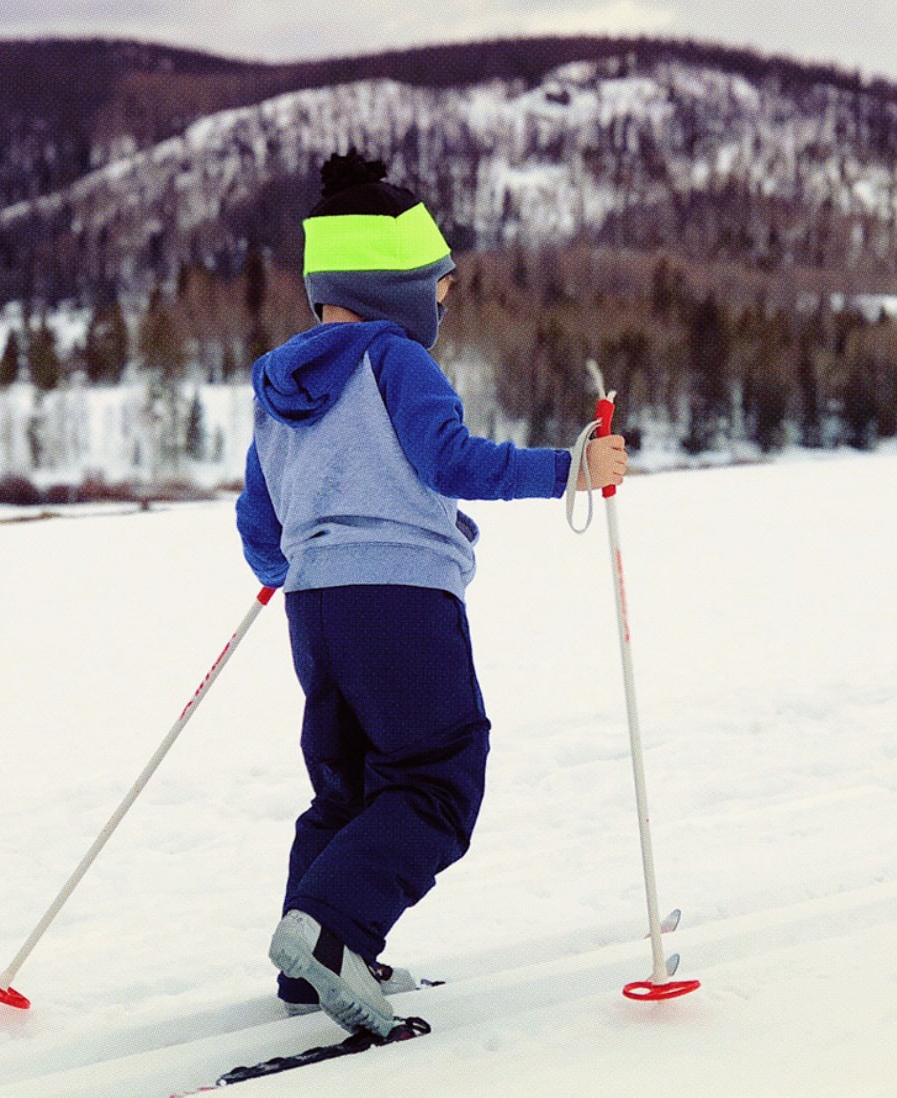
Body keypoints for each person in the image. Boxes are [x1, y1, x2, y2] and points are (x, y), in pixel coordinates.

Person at [235, 147, 626, 1037]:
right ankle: (333, 934)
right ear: (396, 284)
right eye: (440, 289)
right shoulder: (394, 359)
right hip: (402, 602)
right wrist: (571, 468)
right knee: (439, 774)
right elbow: (453, 461)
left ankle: (318, 957)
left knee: (348, 784)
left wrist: (280, 570)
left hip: (315, 612)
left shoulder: (278, 383)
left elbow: (260, 520)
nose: (443, 307)